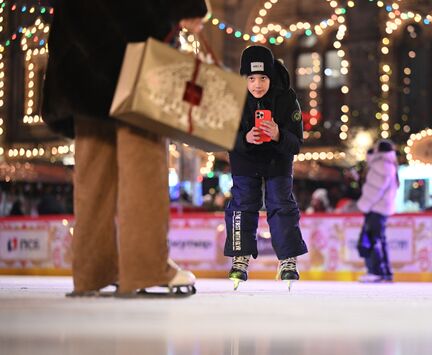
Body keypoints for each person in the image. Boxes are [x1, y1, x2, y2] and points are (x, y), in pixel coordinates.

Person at [41, 0, 209, 297]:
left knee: (93, 171)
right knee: (143, 163)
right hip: (135, 39)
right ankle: (147, 268)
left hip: (78, 45)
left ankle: (92, 271)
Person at [224, 45, 308, 290]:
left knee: (281, 202)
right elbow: (223, 135)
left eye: (263, 78)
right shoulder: (233, 99)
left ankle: (288, 261)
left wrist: (279, 134)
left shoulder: (286, 99)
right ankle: (240, 258)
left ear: (271, 76)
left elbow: (296, 143)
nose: (257, 84)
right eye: (251, 78)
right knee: (242, 203)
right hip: (245, 158)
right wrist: (244, 139)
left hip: (277, 158)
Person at [356, 141, 399, 283]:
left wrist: (365, 205)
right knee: (378, 239)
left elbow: (376, 190)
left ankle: (376, 271)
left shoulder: (382, 165)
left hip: (375, 208)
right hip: (380, 208)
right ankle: (384, 272)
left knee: (372, 240)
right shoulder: (386, 164)